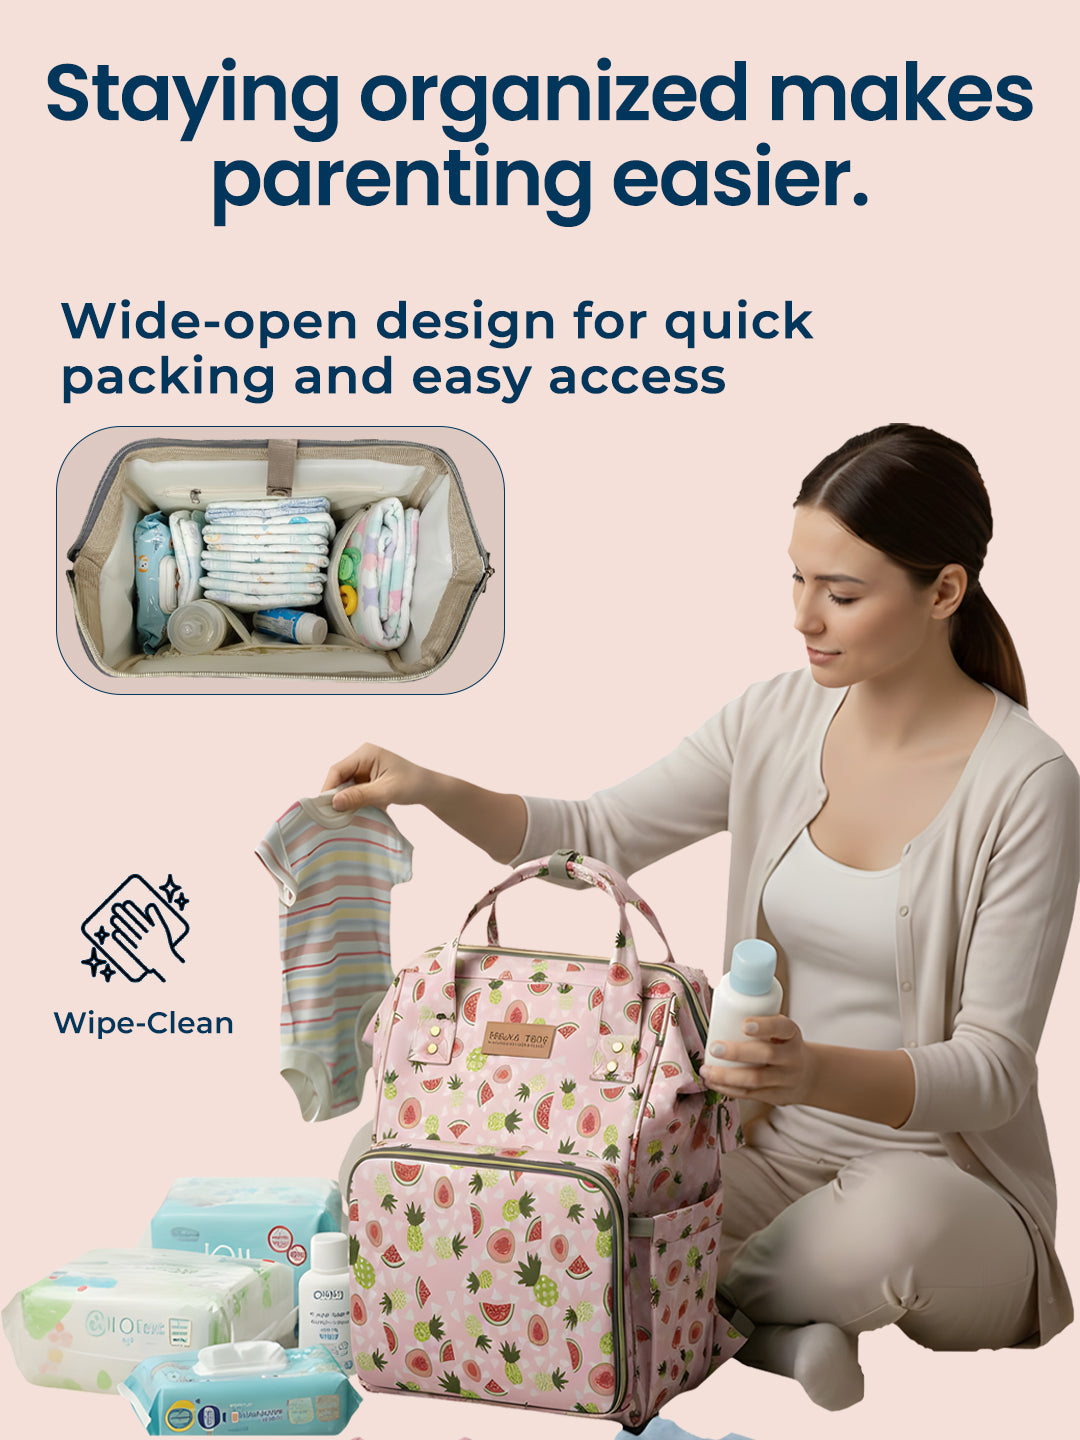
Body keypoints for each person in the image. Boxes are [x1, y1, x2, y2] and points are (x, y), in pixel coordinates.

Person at [322, 424, 1079, 1410]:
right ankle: (770, 1332)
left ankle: (688, 1313)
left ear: (943, 592)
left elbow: (989, 1073)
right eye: (797, 579)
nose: (807, 615)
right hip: (759, 1152)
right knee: (459, 1177)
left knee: (893, 1230)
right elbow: (596, 830)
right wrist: (431, 786)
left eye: (843, 593)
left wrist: (810, 1068)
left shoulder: (1027, 784)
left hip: (947, 1187)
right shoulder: (772, 720)